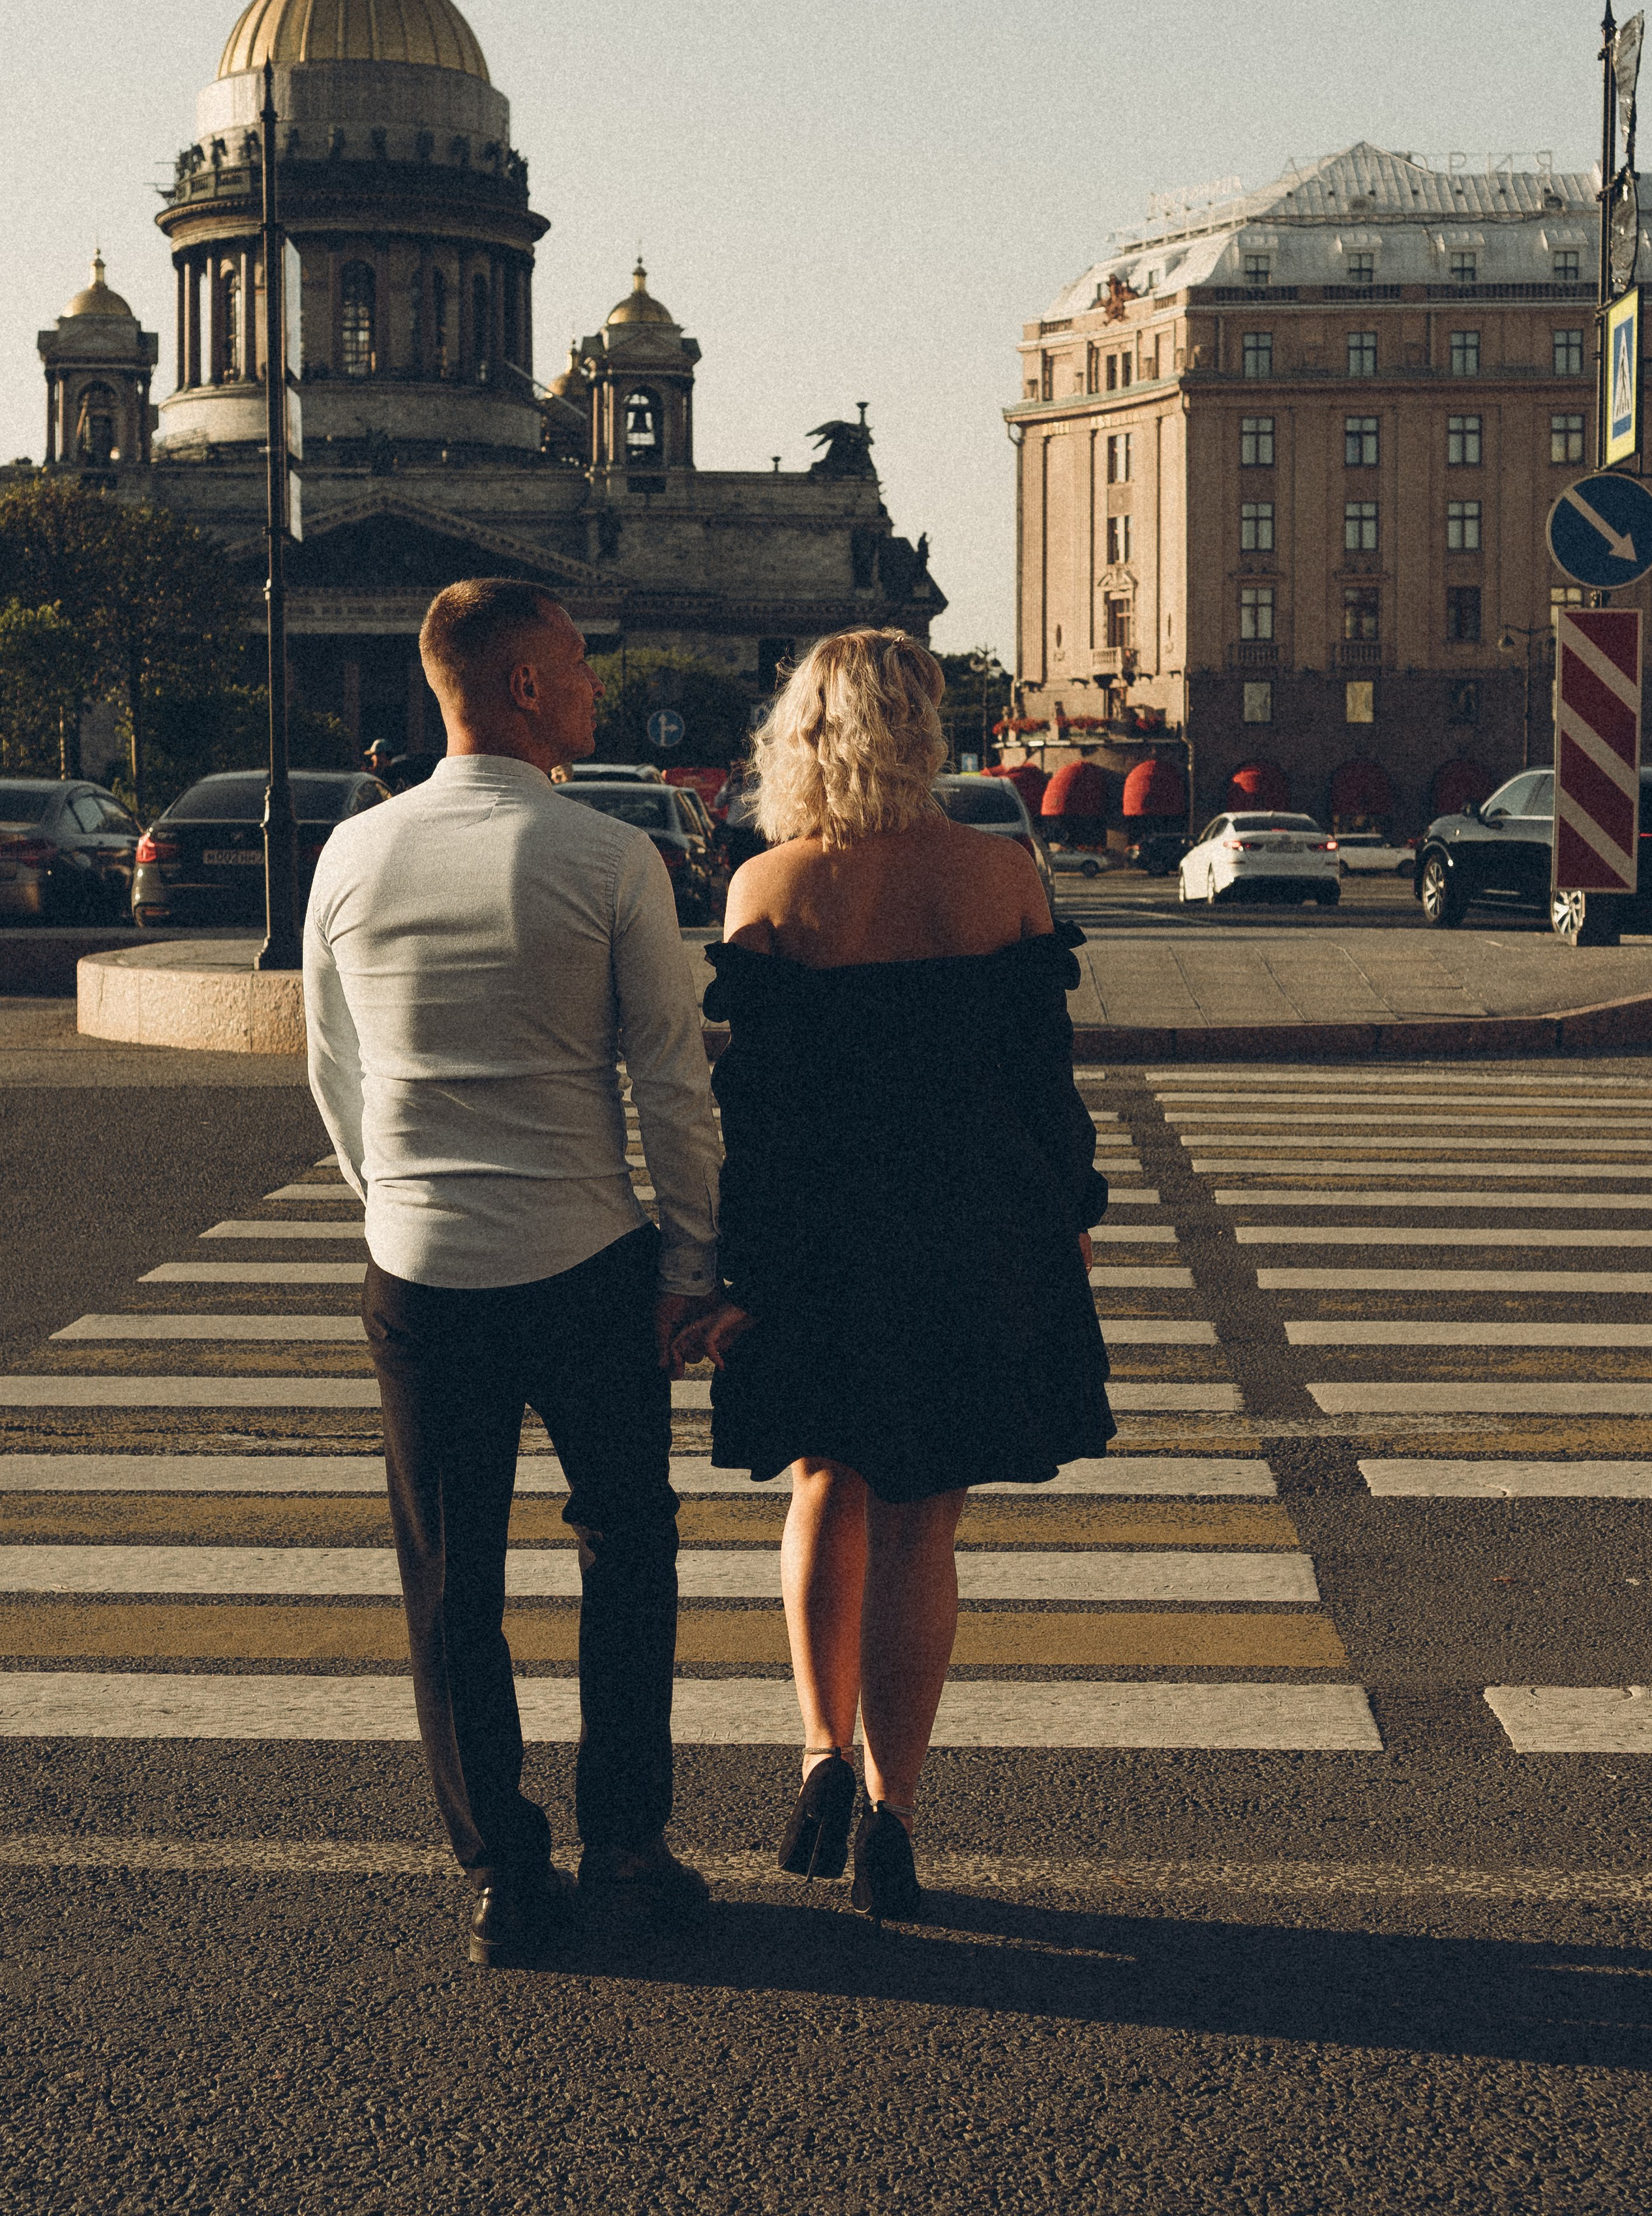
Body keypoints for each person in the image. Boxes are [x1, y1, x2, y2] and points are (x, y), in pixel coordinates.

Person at [305, 577, 724, 1967]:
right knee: (625, 1550)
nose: (595, 691)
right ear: (530, 688)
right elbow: (670, 1088)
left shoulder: (349, 859)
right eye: (578, 672)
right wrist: (689, 1262)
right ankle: (625, 1849)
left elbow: (336, 1079)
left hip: (419, 1275)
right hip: (587, 1265)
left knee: (448, 1579)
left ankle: (499, 1873)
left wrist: (397, 1212)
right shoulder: (608, 858)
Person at [672, 629, 1111, 1923]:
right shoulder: (999, 879)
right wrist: (1069, 1216)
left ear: (799, 735)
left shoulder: (767, 889)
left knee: (825, 1480)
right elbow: (1046, 1088)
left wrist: (725, 1269)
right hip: (974, 1226)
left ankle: (816, 1748)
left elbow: (746, 1111)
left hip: (820, 1233)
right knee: (925, 1516)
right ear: (925, 733)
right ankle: (892, 1810)